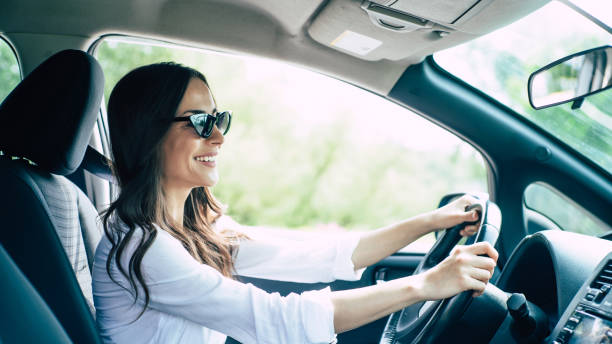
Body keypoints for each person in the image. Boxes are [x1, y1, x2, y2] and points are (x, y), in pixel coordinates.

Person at [92, 62, 498, 344]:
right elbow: (276, 319)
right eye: (200, 122)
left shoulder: (191, 232)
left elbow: (319, 256)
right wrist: (424, 284)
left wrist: (429, 222)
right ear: (148, 133)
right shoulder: (142, 249)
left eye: (220, 119)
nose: (218, 137)